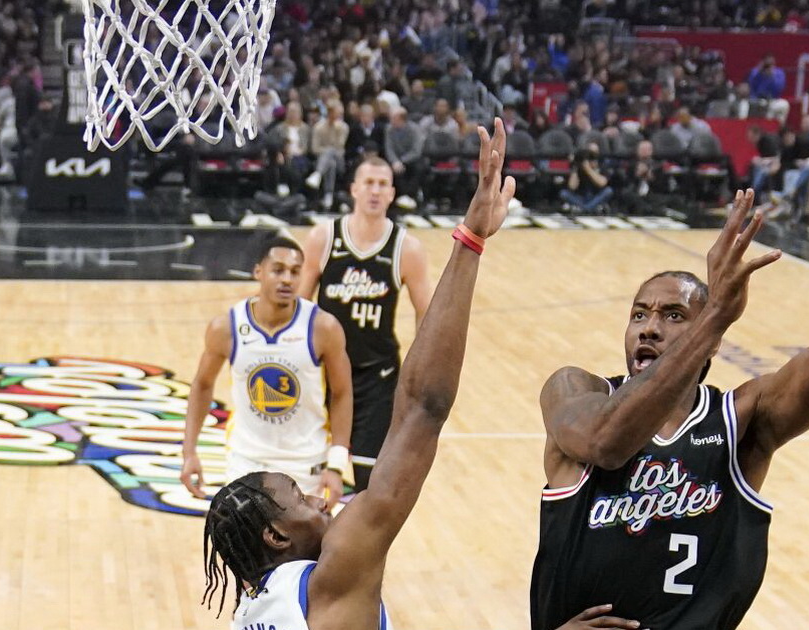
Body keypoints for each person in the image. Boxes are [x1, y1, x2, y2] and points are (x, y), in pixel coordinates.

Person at [530, 70, 809, 630]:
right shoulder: (574, 390)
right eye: (639, 314)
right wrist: (715, 312)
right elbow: (607, 443)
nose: (649, 328)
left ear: (709, 338)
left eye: (673, 316)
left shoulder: (740, 419)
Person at [201, 121, 636, 630]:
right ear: (276, 537)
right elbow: (423, 409)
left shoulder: (248, 615)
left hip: (375, 370)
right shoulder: (333, 575)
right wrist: (471, 239)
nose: (319, 497)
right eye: (299, 498)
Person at [180, 237, 354, 508]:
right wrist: (189, 451)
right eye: (278, 270)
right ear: (258, 272)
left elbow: (342, 393)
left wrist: (337, 464)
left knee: (301, 538)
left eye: (294, 272)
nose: (287, 280)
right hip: (246, 460)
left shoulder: (323, 328)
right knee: (236, 536)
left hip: (305, 461)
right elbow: (202, 384)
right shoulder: (226, 328)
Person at [297, 156, 433, 491]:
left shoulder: (406, 248)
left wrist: (420, 369)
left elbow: (427, 315)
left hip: (377, 376)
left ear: (392, 194)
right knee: (310, 475)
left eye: (382, 184)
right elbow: (298, 307)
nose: (375, 191)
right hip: (324, 373)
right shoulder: (323, 238)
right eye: (368, 183)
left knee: (370, 482)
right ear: (354, 189)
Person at [561, 142, 613, 214]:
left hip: (595, 197)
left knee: (608, 191)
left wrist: (588, 169)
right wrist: (576, 165)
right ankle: (589, 209)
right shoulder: (580, 164)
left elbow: (602, 183)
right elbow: (572, 187)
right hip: (581, 197)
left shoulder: (602, 164)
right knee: (564, 193)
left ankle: (585, 210)